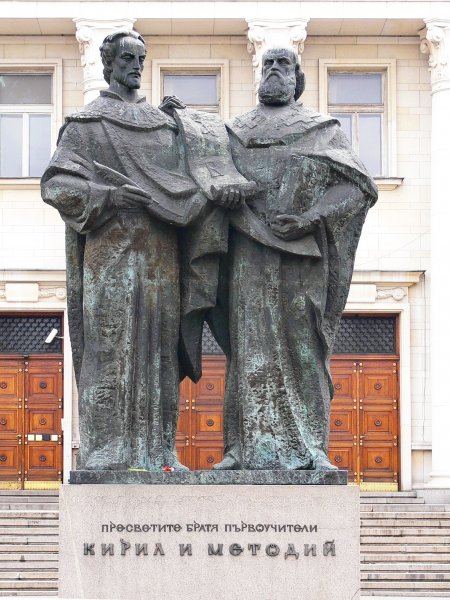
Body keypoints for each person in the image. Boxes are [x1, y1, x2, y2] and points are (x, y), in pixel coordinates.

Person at [41, 31, 217, 471]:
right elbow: (57, 185)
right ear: (108, 64)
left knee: (158, 351)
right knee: (110, 349)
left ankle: (157, 454)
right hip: (110, 255)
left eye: (141, 58)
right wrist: (109, 197)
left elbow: (197, 173)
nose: (135, 65)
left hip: (160, 254)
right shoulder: (87, 124)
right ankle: (104, 456)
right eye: (126, 58)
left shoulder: (163, 124)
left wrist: (187, 129)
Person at [210, 48, 378, 470]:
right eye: (267, 65)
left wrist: (310, 218)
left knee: (304, 346)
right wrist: (224, 193)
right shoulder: (233, 132)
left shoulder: (323, 130)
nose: (273, 71)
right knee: (247, 348)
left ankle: (312, 448)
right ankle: (240, 449)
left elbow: (358, 188)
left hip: (302, 260)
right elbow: (209, 182)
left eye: (282, 65)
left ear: (297, 78)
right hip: (247, 254)